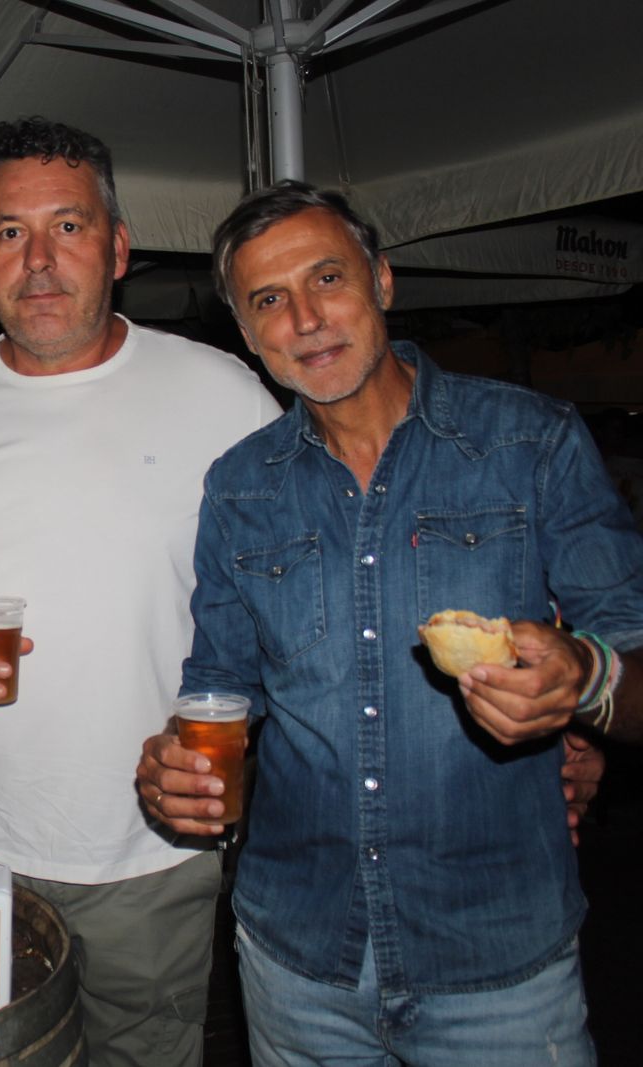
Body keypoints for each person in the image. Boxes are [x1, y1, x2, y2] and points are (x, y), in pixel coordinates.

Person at [137, 181, 642, 1066]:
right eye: (269, 300)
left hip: (498, 962)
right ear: (247, 333)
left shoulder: (531, 443)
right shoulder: (240, 486)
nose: (306, 319)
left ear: (381, 279)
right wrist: (176, 763)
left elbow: (633, 659)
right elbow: (221, 685)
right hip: (299, 959)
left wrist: (587, 678)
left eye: (327, 278)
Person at [0, 116, 281, 1065]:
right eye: (10, 232)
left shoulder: (226, 396)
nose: (38, 260)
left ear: (118, 248)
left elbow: (305, 600)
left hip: (152, 854)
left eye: (68, 226)